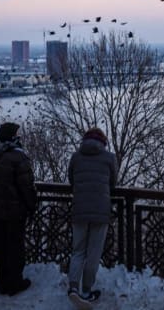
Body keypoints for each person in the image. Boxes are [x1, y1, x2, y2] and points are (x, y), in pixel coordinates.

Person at [67, 126, 117, 307]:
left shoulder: (76, 157)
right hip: (100, 211)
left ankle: (73, 288)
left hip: (79, 208)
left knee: (78, 250)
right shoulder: (109, 157)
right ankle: (87, 290)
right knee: (93, 253)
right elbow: (113, 183)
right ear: (103, 141)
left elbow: (71, 180)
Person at [0, 121, 38, 296]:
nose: (19, 137)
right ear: (12, 137)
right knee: (15, 246)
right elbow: (26, 186)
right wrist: (32, 205)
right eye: (16, 134)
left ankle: (2, 281)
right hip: (15, 210)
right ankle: (15, 282)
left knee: (0, 245)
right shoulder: (19, 157)